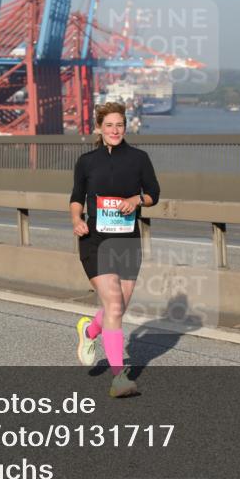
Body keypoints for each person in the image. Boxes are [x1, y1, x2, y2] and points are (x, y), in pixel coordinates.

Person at [70, 101, 160, 398]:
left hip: (127, 241)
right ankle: (119, 377)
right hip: (95, 240)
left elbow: (154, 195)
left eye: (119, 125)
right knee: (114, 305)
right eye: (108, 125)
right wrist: (76, 219)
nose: (114, 130)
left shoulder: (139, 158)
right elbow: (76, 197)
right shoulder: (87, 161)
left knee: (118, 305)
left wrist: (136, 200)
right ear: (99, 128)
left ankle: (89, 330)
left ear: (125, 126)